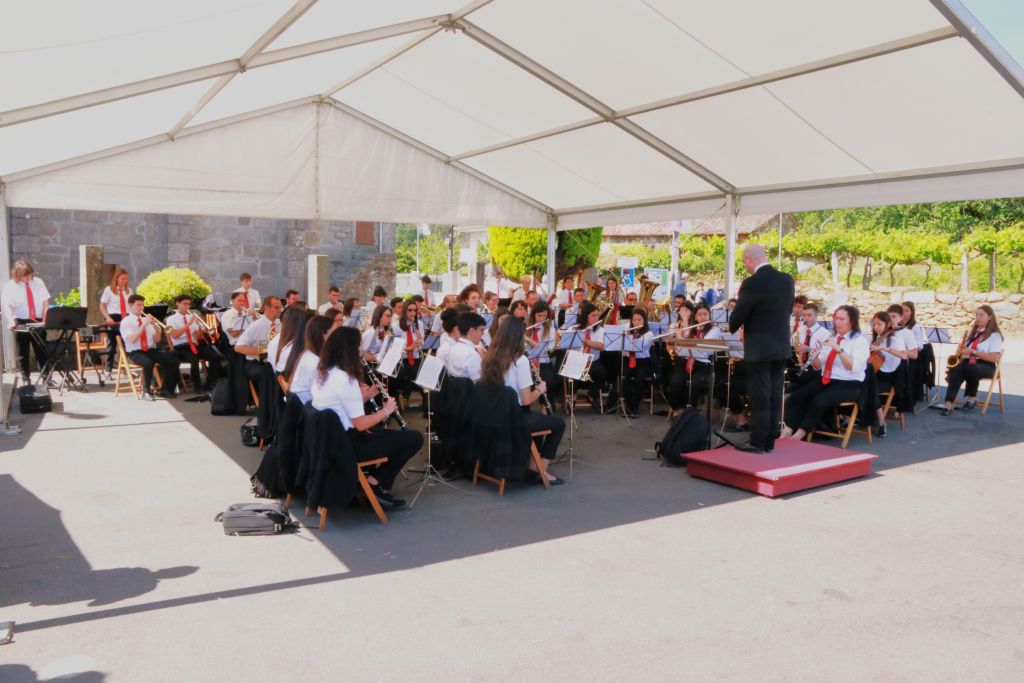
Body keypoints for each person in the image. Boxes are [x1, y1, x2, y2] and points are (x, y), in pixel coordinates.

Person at [311, 327, 423, 510]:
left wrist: (366, 395)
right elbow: (361, 424)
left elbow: (340, 406)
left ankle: (372, 481)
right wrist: (387, 410)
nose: (361, 351)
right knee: (413, 439)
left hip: (330, 440)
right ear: (350, 350)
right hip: (348, 445)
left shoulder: (325, 372)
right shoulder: (346, 379)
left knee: (390, 436)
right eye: (359, 346)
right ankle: (375, 482)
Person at [481, 317, 565, 485]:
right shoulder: (520, 361)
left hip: (494, 415)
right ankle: (539, 468)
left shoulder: (489, 356)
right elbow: (526, 400)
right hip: (515, 418)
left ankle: (529, 463)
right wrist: (540, 389)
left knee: (539, 419)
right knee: (558, 423)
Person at [728, 243, 795, 454]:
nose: (745, 267)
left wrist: (733, 325)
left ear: (749, 259)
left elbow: (739, 314)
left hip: (759, 348)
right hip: (781, 345)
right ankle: (769, 440)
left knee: (760, 395)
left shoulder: (751, 283)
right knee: (775, 393)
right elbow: (788, 308)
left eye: (744, 262)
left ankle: (757, 441)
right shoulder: (787, 280)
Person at [782, 305, 869, 442]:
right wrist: (813, 354)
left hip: (850, 384)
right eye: (836, 318)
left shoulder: (860, 341)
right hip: (827, 379)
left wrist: (838, 348)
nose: (837, 322)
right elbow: (818, 366)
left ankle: (799, 435)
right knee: (796, 397)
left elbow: (853, 367)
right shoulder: (833, 337)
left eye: (841, 319)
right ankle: (788, 430)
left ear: (851, 321)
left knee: (818, 401)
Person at [941, 305, 1002, 416]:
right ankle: (949, 403)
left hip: (987, 366)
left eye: (981, 315)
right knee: (957, 368)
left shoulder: (995, 336)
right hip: (969, 363)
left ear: (990, 317)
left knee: (971, 367)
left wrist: (973, 352)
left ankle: (972, 397)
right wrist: (961, 353)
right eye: (976, 315)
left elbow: (994, 358)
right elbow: (965, 353)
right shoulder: (972, 332)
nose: (978, 317)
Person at [119, 294, 180, 400]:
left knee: (173, 359)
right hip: (135, 352)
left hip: (150, 350)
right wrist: (143, 325)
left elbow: (156, 340)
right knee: (148, 363)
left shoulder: (145, 320)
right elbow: (132, 339)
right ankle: (146, 391)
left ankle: (166, 389)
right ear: (130, 305)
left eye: (142, 305)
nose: (141, 308)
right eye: (138, 305)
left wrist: (158, 330)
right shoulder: (126, 321)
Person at [668, 303, 721, 415]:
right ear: (695, 317)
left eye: (705, 314)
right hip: (686, 362)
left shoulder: (714, 329)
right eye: (699, 315)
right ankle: (677, 410)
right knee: (675, 381)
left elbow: (701, 345)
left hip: (702, 364)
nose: (702, 317)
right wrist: (682, 331)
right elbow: (680, 346)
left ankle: (691, 412)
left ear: (709, 315)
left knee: (695, 384)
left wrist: (681, 338)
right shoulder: (693, 328)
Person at [2, 260, 50, 383]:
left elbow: (45, 302)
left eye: (30, 274)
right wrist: (11, 321)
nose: (29, 277)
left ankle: (47, 378)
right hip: (21, 320)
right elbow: (7, 305)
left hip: (38, 320)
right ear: (17, 274)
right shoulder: (10, 286)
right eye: (26, 275)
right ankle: (26, 379)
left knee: (42, 350)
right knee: (23, 352)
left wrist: (45, 319)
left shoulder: (38, 282)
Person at [166, 294, 225, 390]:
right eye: (185, 304)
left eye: (189, 304)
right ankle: (197, 386)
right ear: (177, 304)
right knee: (194, 360)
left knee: (216, 357)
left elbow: (198, 337)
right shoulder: (170, 319)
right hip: (180, 347)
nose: (187, 307)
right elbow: (175, 335)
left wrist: (199, 327)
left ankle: (209, 383)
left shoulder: (191, 317)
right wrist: (188, 324)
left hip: (193, 345)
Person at [869, 311, 908, 436]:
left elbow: (904, 355)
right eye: (873, 324)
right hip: (876, 374)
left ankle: (881, 424)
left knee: (870, 388)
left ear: (888, 324)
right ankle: (854, 418)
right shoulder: (876, 339)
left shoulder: (896, 339)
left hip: (889, 378)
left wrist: (883, 348)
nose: (875, 327)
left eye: (879, 324)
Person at [285, 315, 333, 403]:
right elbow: (323, 396)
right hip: (306, 410)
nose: (335, 336)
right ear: (323, 335)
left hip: (301, 405)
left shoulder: (308, 353)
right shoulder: (315, 362)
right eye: (333, 332)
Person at [99, 267, 132, 376]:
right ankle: (108, 370)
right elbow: (102, 305)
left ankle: (124, 369)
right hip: (113, 317)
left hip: (126, 318)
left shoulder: (129, 291)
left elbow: (131, 306)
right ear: (116, 279)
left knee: (126, 344)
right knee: (111, 345)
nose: (125, 281)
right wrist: (108, 317)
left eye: (126, 279)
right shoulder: (109, 289)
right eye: (122, 278)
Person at [577, 301, 609, 413]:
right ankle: (571, 397)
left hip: (593, 361)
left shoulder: (600, 330)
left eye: (597, 315)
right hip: (578, 360)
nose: (596, 318)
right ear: (586, 317)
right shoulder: (577, 328)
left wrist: (586, 341)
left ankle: (592, 395)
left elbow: (601, 346)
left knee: (602, 373)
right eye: (593, 315)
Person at [621, 310, 653, 418]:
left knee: (639, 380)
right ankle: (628, 405)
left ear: (644, 321)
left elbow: (639, 346)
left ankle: (634, 407)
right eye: (634, 320)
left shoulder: (649, 334)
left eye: (639, 320)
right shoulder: (627, 330)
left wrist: (633, 337)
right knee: (625, 379)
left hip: (643, 361)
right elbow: (623, 349)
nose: (636, 322)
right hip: (629, 360)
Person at [526, 301, 559, 406]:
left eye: (544, 315)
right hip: (527, 364)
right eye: (539, 315)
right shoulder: (525, 328)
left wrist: (527, 340)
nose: (541, 318)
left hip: (543, 362)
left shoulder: (550, 329)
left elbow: (548, 350)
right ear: (533, 315)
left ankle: (547, 408)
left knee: (550, 382)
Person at [396, 298, 426, 413]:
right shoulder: (396, 326)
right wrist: (410, 347)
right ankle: (403, 397)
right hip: (402, 359)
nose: (413, 313)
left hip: (416, 357)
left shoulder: (419, 324)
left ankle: (426, 404)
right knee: (408, 375)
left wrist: (420, 341)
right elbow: (396, 347)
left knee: (421, 376)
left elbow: (421, 343)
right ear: (404, 311)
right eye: (410, 310)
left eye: (415, 310)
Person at [448, 312, 486, 380]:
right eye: (481, 330)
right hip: (471, 389)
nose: (483, 334)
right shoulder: (472, 355)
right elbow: (479, 382)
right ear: (471, 331)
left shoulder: (453, 348)